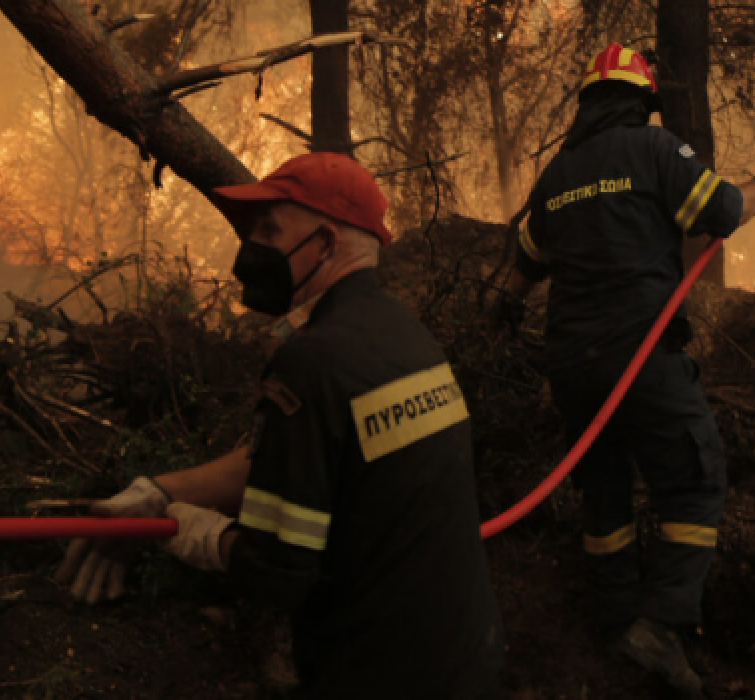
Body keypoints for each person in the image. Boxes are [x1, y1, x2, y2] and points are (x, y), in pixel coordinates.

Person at [56, 152, 504, 699]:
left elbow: (278, 571)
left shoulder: (313, 363)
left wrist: (189, 534)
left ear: (325, 242)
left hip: (381, 674)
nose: (253, 249)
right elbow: (293, 459)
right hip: (463, 656)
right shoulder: (405, 337)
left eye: (270, 230)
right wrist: (159, 492)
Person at [494, 43, 755, 695]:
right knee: (694, 478)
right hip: (641, 356)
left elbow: (528, 258)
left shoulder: (557, 173)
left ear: (588, 104)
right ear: (639, 102)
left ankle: (615, 620)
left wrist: (505, 305)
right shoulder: (658, 151)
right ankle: (663, 623)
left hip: (571, 363)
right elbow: (721, 213)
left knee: (602, 487)